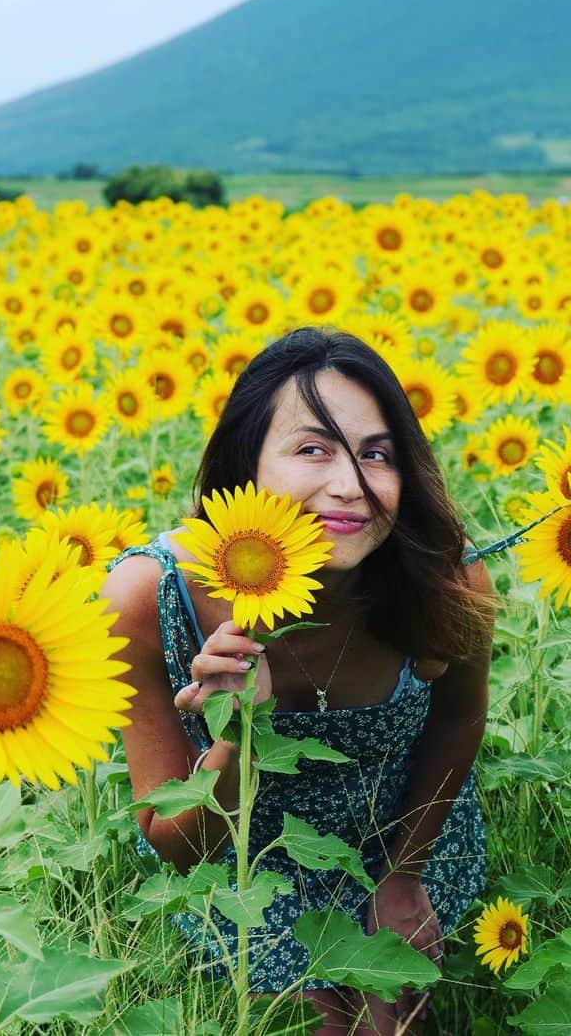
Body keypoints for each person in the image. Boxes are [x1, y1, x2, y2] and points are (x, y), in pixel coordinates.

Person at [103, 327, 494, 1034]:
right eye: (312, 449)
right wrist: (237, 733)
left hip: (398, 827)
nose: (349, 485)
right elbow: (177, 844)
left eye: (376, 454)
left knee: (386, 1022)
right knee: (308, 1024)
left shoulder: (441, 576)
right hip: (246, 856)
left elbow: (457, 720)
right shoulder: (149, 595)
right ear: (245, 464)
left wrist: (404, 877)